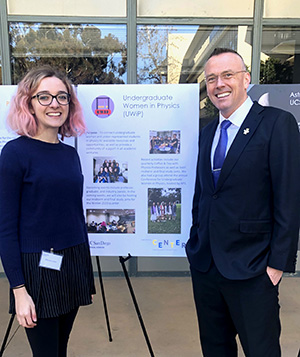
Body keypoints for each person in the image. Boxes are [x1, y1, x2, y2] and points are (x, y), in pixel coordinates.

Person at [186, 48, 300, 357]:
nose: (218, 84)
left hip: (253, 269)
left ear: (246, 79)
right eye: (211, 78)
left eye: (227, 75)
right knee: (215, 350)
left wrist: (277, 265)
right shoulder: (208, 132)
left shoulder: (277, 124)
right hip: (207, 266)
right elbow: (205, 194)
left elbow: (289, 198)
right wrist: (195, 244)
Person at [0, 66, 96, 357]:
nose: (54, 104)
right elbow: (5, 227)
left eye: (62, 97)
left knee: (60, 348)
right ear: (28, 103)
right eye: (44, 96)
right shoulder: (14, 154)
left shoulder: (69, 153)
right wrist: (18, 290)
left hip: (72, 259)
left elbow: (74, 214)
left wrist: (83, 269)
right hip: (36, 269)